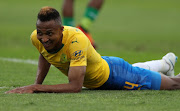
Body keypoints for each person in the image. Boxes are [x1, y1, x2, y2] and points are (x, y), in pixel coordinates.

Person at [5, 7, 180, 94]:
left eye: (49, 33)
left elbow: (75, 87)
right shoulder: (36, 37)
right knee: (136, 70)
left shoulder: (76, 40)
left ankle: (167, 68)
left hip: (115, 77)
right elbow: (44, 54)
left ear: (62, 30)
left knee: (173, 85)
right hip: (105, 66)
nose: (43, 39)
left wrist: (36, 88)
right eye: (40, 32)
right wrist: (39, 83)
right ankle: (165, 63)